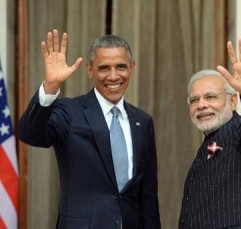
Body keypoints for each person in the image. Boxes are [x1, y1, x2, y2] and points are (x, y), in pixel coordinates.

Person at [19, 29, 161, 229]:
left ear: (132, 67)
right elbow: (30, 134)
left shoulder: (142, 121)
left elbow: (148, 196)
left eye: (121, 66)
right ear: (90, 70)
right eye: (104, 68)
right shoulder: (69, 111)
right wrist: (50, 87)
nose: (113, 76)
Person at [179, 39, 241, 229]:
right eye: (194, 100)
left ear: (233, 101)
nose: (201, 105)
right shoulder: (207, 145)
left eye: (210, 97)